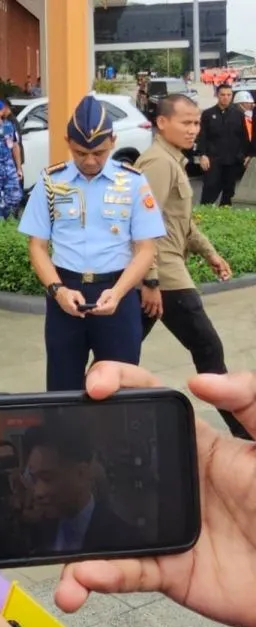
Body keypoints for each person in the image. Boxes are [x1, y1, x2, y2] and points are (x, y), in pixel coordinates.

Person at [17, 95, 166, 391]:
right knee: (62, 388)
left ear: (113, 141)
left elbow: (146, 249)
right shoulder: (51, 182)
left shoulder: (133, 182)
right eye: (80, 152)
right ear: (67, 143)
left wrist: (119, 292)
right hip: (65, 294)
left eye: (98, 152)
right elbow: (37, 246)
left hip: (117, 293)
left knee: (119, 389)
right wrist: (58, 290)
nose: (89, 161)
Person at [134, 93, 250, 440]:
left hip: (164, 272)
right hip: (165, 276)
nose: (193, 129)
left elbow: (180, 222)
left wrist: (209, 253)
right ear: (162, 122)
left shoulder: (172, 160)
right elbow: (140, 222)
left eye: (196, 122)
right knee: (208, 347)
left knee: (120, 353)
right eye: (185, 122)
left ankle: (86, 416)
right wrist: (150, 279)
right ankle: (245, 431)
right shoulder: (158, 163)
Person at [22, 420, 137, 554]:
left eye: (47, 478)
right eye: (34, 478)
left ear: (81, 473)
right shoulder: (34, 535)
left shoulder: (125, 540)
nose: (38, 492)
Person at [199, 84, 250, 205]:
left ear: (232, 96)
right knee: (210, 188)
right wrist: (202, 155)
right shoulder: (207, 114)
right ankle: (205, 212)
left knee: (229, 191)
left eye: (228, 95)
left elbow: (244, 137)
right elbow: (202, 136)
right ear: (217, 95)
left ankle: (224, 213)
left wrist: (246, 154)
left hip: (233, 160)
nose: (226, 97)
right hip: (213, 160)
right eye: (222, 94)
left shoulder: (238, 114)